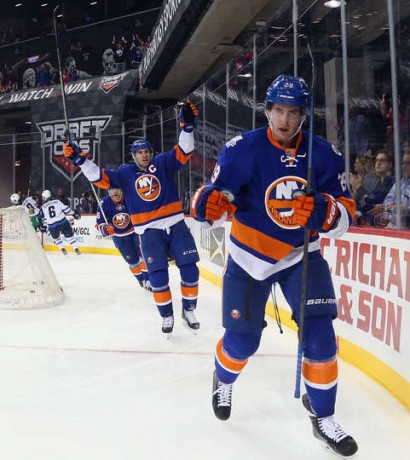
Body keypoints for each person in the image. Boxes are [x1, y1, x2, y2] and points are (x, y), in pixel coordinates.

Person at [191, 75, 358, 457]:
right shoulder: (241, 150)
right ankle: (223, 377)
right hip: (249, 260)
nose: (284, 120)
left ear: (303, 116)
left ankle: (323, 417)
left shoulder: (324, 155)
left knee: (321, 338)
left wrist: (326, 212)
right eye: (278, 111)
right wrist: (205, 205)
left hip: (302, 255)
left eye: (293, 112)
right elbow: (217, 203)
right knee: (242, 342)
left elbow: (346, 214)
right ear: (267, 111)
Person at [63, 101, 201, 335]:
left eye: (147, 151)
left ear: (151, 153)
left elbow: (184, 150)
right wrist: (80, 160)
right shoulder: (124, 173)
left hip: (176, 224)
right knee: (157, 277)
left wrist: (187, 128)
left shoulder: (163, 163)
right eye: (140, 152)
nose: (144, 155)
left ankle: (188, 310)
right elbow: (98, 178)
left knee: (190, 270)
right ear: (134, 156)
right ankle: (167, 316)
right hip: (148, 232)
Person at [96, 187, 151, 290]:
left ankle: (148, 279)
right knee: (133, 262)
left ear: (121, 189)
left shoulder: (130, 197)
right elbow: (99, 223)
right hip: (119, 238)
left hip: (135, 231)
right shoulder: (103, 204)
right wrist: (105, 229)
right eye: (112, 190)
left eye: (117, 189)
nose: (115, 191)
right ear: (108, 191)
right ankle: (141, 279)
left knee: (144, 254)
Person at [369, 151, 410, 228]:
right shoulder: (400, 183)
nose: (404, 166)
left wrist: (387, 208)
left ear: (390, 165)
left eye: (408, 163)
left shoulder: (392, 181)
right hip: (390, 224)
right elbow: (387, 201)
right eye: (403, 163)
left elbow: (406, 210)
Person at [39, 189, 81, 255]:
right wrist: (74, 213)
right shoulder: (57, 201)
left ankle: (62, 249)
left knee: (57, 239)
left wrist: (44, 226)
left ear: (44, 197)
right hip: (63, 222)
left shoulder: (42, 207)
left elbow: (44, 219)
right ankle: (76, 249)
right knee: (70, 237)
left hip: (52, 226)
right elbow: (66, 209)